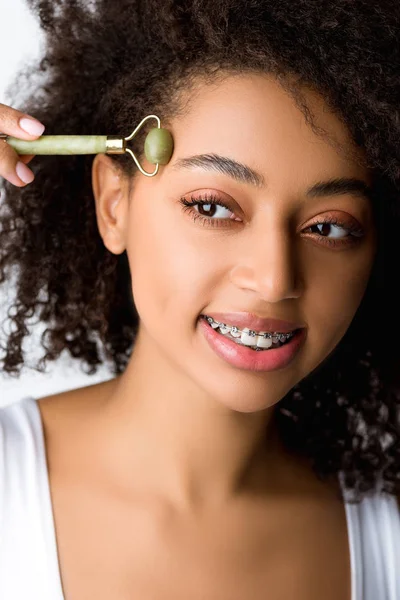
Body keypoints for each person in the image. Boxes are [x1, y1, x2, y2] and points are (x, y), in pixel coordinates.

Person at [0, 0, 399, 598]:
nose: (272, 279)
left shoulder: (389, 538)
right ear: (115, 205)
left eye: (329, 226)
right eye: (212, 207)